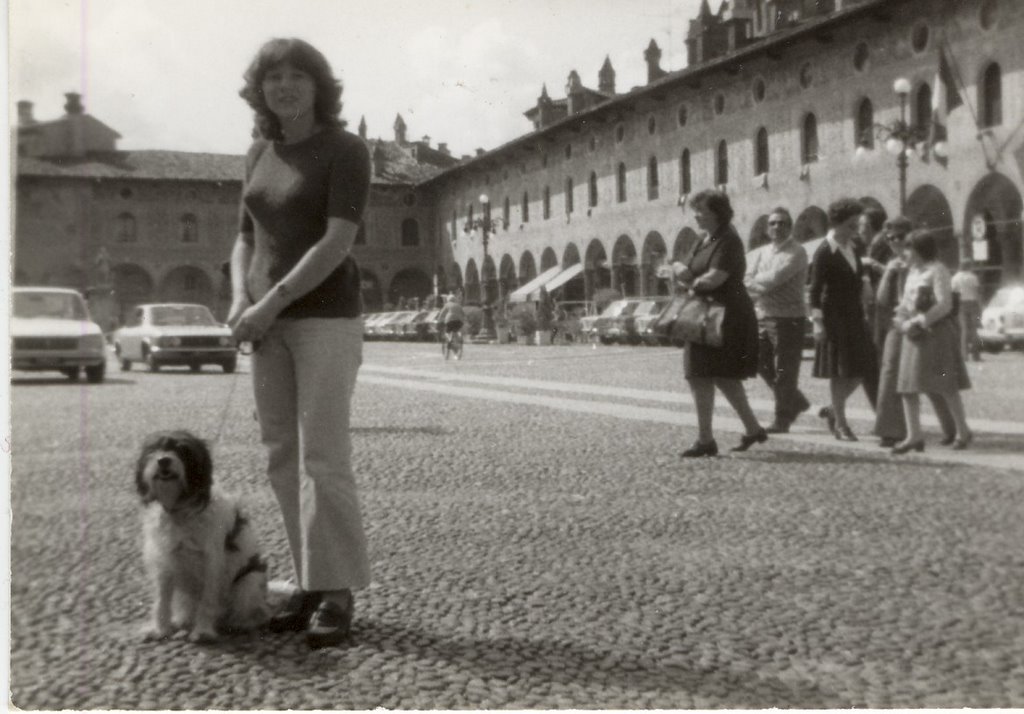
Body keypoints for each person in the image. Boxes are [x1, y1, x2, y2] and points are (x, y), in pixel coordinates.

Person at [228, 38, 371, 649]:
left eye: (297, 76)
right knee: (281, 455)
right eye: (272, 78)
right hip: (265, 321)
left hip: (323, 319)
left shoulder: (345, 149)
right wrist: (239, 298)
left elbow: (337, 241)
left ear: (320, 86)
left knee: (324, 456)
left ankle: (337, 593)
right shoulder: (259, 151)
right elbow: (244, 237)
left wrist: (269, 302)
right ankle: (311, 584)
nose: (283, 87)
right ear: (259, 90)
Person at [663, 189, 765, 457]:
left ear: (717, 213)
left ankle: (706, 440)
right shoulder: (703, 240)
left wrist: (687, 278)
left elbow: (714, 279)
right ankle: (752, 429)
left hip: (724, 316)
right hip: (706, 315)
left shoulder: (728, 241)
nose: (695, 215)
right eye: (695, 210)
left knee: (702, 375)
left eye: (701, 211)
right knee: (719, 376)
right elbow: (679, 265)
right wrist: (678, 269)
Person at [872, 220, 957, 448]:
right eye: (889, 238)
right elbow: (880, 300)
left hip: (924, 324)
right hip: (898, 325)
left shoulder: (925, 264)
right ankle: (891, 431)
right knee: (892, 374)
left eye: (899, 236)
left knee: (930, 376)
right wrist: (888, 273)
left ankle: (951, 428)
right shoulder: (893, 264)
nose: (895, 242)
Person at [892, 230, 973, 453]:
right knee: (908, 386)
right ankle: (914, 435)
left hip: (935, 333)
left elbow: (944, 304)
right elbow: (906, 302)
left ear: (919, 250)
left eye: (908, 248)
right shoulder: (911, 273)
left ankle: (962, 431)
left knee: (945, 385)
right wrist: (900, 317)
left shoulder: (937, 270)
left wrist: (919, 321)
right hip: (913, 334)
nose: (905, 253)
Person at [809, 198, 878, 441]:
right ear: (836, 223)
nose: (855, 230)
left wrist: (866, 283)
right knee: (840, 373)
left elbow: (861, 272)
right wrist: (817, 322)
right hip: (834, 317)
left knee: (865, 367)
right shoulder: (824, 251)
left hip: (854, 316)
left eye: (856, 225)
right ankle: (841, 423)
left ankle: (832, 410)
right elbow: (815, 290)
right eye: (850, 225)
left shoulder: (854, 246)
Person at [743, 207, 811, 433]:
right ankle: (796, 401)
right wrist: (757, 283)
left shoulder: (797, 252)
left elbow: (774, 279)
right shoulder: (760, 253)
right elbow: (745, 277)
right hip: (762, 315)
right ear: (767, 228)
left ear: (790, 227)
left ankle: (782, 419)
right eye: (773, 223)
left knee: (784, 370)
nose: (777, 227)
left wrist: (755, 282)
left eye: (782, 223)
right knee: (759, 363)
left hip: (788, 319)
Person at [952, 258, 983, 362]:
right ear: (969, 266)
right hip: (973, 303)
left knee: (964, 330)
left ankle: (964, 355)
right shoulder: (973, 277)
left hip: (961, 304)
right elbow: (977, 292)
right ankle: (976, 355)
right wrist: (980, 305)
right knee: (974, 329)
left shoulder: (955, 278)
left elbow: (954, 293)